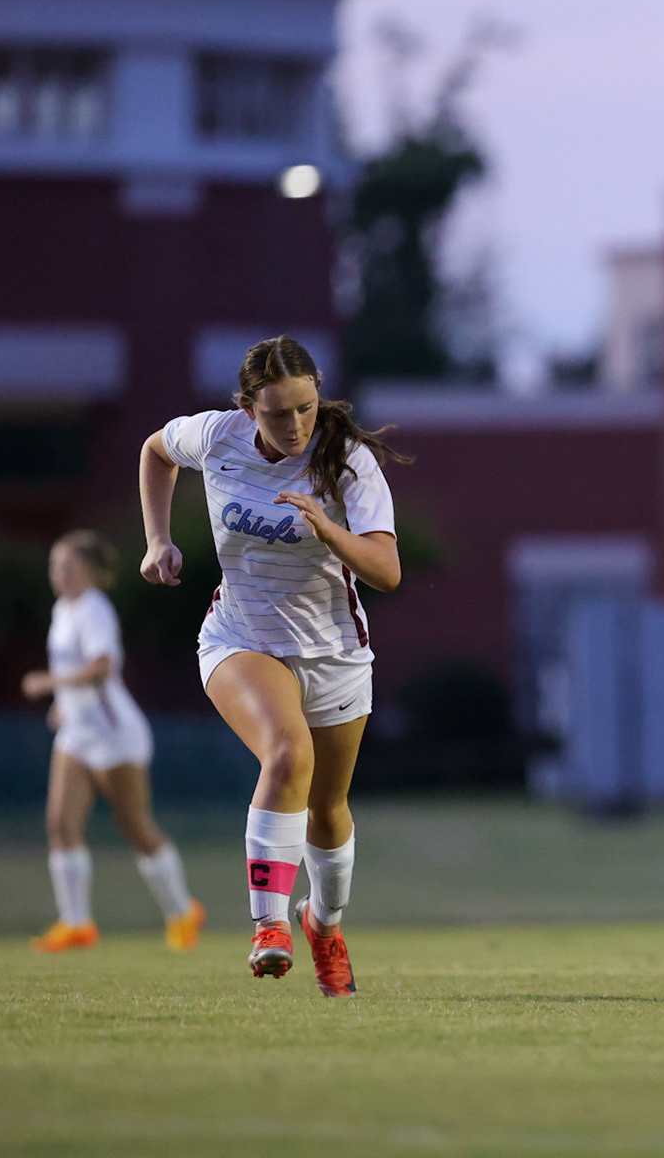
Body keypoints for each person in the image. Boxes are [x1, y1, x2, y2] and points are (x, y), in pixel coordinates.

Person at [137, 336, 405, 996]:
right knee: (287, 754)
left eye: (306, 409)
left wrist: (329, 530)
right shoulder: (216, 437)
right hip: (241, 637)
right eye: (278, 413)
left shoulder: (348, 462)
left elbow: (387, 572)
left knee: (329, 810)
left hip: (335, 653)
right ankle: (269, 927)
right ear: (247, 407)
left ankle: (325, 923)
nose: (295, 426)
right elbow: (155, 451)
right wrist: (158, 540)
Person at [22, 531, 204, 953]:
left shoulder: (93, 609)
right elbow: (77, 672)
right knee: (60, 824)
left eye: (67, 566)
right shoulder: (63, 610)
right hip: (78, 733)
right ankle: (76, 923)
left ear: (88, 571)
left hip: (113, 733)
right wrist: (63, 705)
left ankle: (182, 912)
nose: (58, 575)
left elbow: (102, 668)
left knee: (136, 828)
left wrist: (50, 684)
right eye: (55, 566)